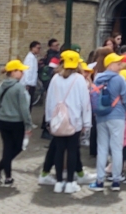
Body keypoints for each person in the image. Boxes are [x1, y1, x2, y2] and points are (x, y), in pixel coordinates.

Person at [38, 50, 91, 194]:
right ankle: (70, 183)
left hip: (57, 120)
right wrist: (87, 123)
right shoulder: (79, 79)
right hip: (74, 121)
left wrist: (49, 120)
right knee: (73, 150)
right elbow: (85, 103)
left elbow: (49, 100)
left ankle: (59, 182)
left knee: (59, 150)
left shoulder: (55, 78)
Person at [90, 52, 126, 192]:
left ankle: (99, 181)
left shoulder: (97, 78)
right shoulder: (119, 79)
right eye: (118, 63)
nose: (120, 65)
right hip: (117, 116)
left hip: (101, 116)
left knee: (102, 148)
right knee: (117, 148)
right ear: (110, 64)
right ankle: (115, 181)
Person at [0, 59, 33, 186]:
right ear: (13, 72)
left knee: (7, 148)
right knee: (18, 147)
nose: (23, 73)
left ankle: (6, 176)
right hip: (16, 122)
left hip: (3, 121)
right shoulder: (19, 88)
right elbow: (24, 108)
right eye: (20, 71)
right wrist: (28, 124)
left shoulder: (1, 85)